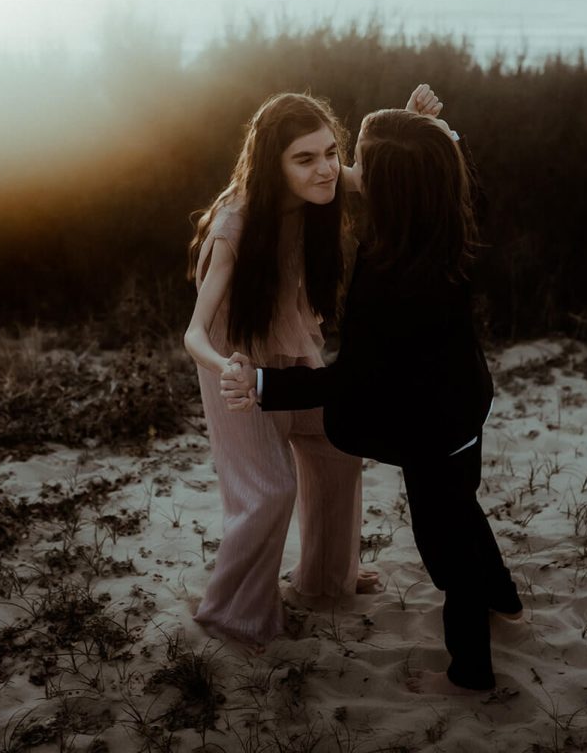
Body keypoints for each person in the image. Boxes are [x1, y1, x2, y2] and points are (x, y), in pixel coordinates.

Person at [220, 107, 523, 693]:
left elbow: (352, 380)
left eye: (359, 158)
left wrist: (263, 385)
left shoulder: (391, 281)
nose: (346, 168)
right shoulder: (449, 224)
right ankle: (505, 600)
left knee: (446, 548)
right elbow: (452, 175)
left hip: (430, 431)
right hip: (465, 407)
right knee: (466, 510)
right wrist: (429, 132)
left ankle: (470, 672)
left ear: (389, 188)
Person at [183, 88, 441, 647]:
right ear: (274, 165)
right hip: (238, 371)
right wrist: (225, 367)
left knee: (339, 447)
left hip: (295, 355)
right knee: (270, 491)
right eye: (306, 158)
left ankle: (325, 581)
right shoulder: (235, 225)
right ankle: (233, 616)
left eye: (330, 152)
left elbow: (376, 172)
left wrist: (412, 123)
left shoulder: (323, 184)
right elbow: (194, 333)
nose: (328, 169)